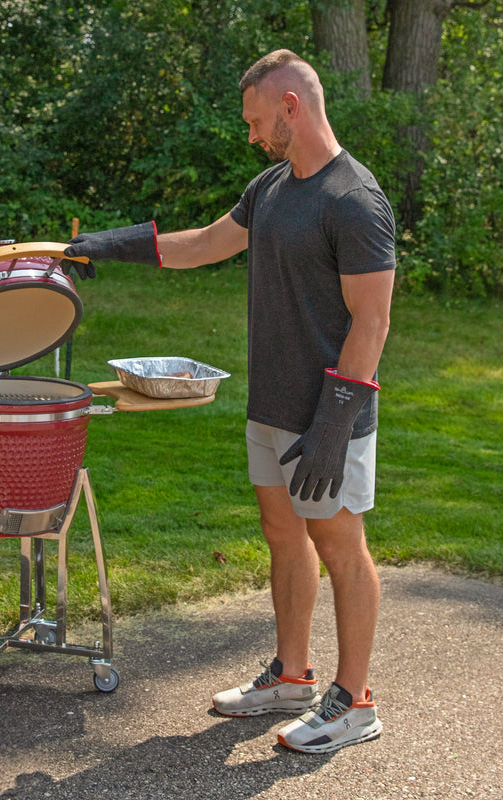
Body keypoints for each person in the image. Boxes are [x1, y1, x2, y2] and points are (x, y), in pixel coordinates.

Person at [62, 50, 396, 754]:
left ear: (291, 107)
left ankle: (355, 700)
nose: (250, 134)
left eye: (255, 121)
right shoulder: (271, 188)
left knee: (341, 546)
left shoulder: (355, 200)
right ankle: (293, 675)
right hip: (272, 404)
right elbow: (207, 244)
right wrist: (107, 247)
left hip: (330, 417)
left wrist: (334, 424)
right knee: (284, 537)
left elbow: (372, 320)